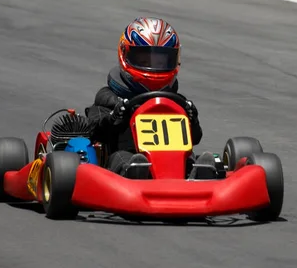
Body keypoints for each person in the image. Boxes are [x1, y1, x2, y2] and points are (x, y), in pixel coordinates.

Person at [85, 17, 214, 179]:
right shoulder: (109, 99)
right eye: (144, 60)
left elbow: (195, 138)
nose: (153, 66)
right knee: (124, 158)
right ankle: (134, 173)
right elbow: (94, 132)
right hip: (124, 162)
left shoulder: (176, 102)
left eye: (161, 61)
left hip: (175, 164)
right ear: (125, 55)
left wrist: (192, 119)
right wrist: (113, 118)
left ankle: (199, 173)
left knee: (190, 159)